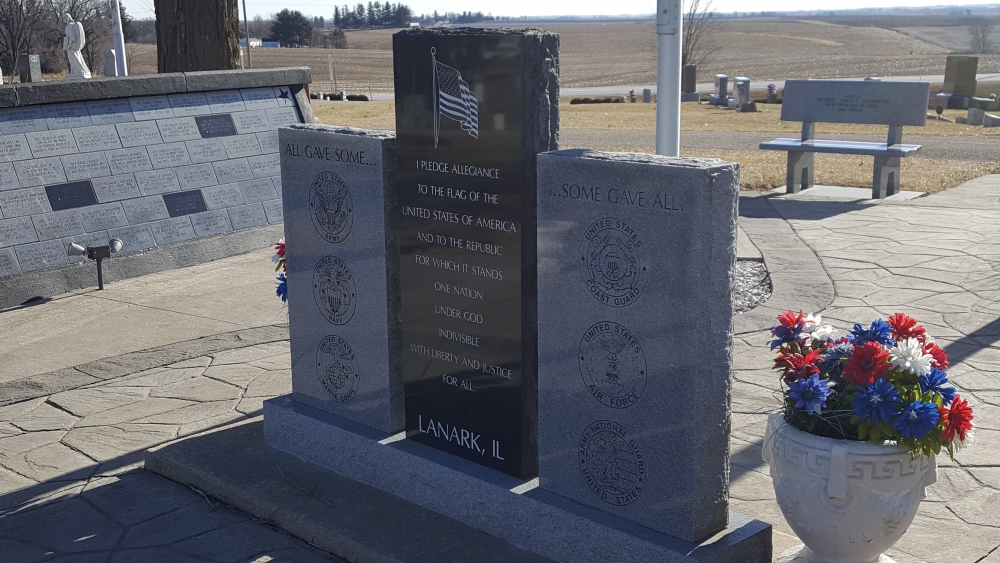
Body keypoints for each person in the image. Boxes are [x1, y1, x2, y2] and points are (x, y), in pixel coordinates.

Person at [63, 13, 92, 80]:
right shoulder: (70, 26)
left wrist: (68, 45)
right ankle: (74, 71)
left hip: (71, 47)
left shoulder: (69, 27)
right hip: (72, 47)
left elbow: (72, 38)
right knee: (74, 59)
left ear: (66, 19)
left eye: (64, 19)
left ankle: (79, 71)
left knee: (75, 59)